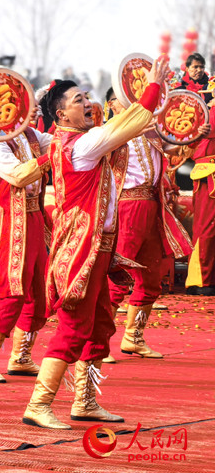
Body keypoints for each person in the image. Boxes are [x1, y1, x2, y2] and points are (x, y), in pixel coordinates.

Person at [22, 57, 168, 430]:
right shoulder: (82, 144)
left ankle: (85, 401)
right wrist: (151, 87)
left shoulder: (74, 140)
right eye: (79, 100)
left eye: (87, 96)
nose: (88, 103)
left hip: (98, 246)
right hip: (82, 249)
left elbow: (126, 125)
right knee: (73, 326)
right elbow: (131, 122)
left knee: (100, 323)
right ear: (61, 114)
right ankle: (39, 404)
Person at [105, 89, 196, 358]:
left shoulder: (150, 129)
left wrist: (195, 132)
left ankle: (133, 337)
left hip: (153, 205)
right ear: (112, 104)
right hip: (127, 205)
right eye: (124, 98)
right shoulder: (110, 131)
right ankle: (98, 341)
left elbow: (173, 146)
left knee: (152, 276)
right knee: (118, 275)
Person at [0, 118, 52, 383]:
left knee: (38, 293)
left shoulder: (29, 134)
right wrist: (58, 153)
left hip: (34, 217)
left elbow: (63, 142)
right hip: (10, 220)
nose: (31, 109)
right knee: (11, 291)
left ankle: (21, 357)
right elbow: (19, 175)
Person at [186, 106, 215, 295]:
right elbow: (190, 145)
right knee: (204, 228)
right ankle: (201, 279)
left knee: (207, 228)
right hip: (206, 174)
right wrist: (197, 133)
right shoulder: (208, 109)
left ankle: (204, 279)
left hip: (208, 170)